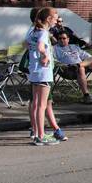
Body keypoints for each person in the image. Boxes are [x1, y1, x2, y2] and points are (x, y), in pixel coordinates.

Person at [26, 8, 60, 145]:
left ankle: (37, 132)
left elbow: (25, 44)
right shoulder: (44, 33)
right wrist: (45, 55)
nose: (56, 22)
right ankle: (41, 135)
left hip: (33, 71)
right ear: (48, 19)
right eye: (55, 19)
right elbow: (41, 47)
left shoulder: (33, 30)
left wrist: (33, 52)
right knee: (42, 104)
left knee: (36, 102)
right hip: (43, 72)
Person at [53, 30, 92, 104]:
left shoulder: (74, 47)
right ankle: (86, 95)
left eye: (63, 38)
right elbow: (53, 60)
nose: (61, 40)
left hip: (80, 67)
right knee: (81, 69)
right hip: (67, 70)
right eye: (59, 39)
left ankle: (78, 65)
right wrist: (61, 65)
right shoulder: (55, 49)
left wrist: (82, 64)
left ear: (68, 39)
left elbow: (87, 56)